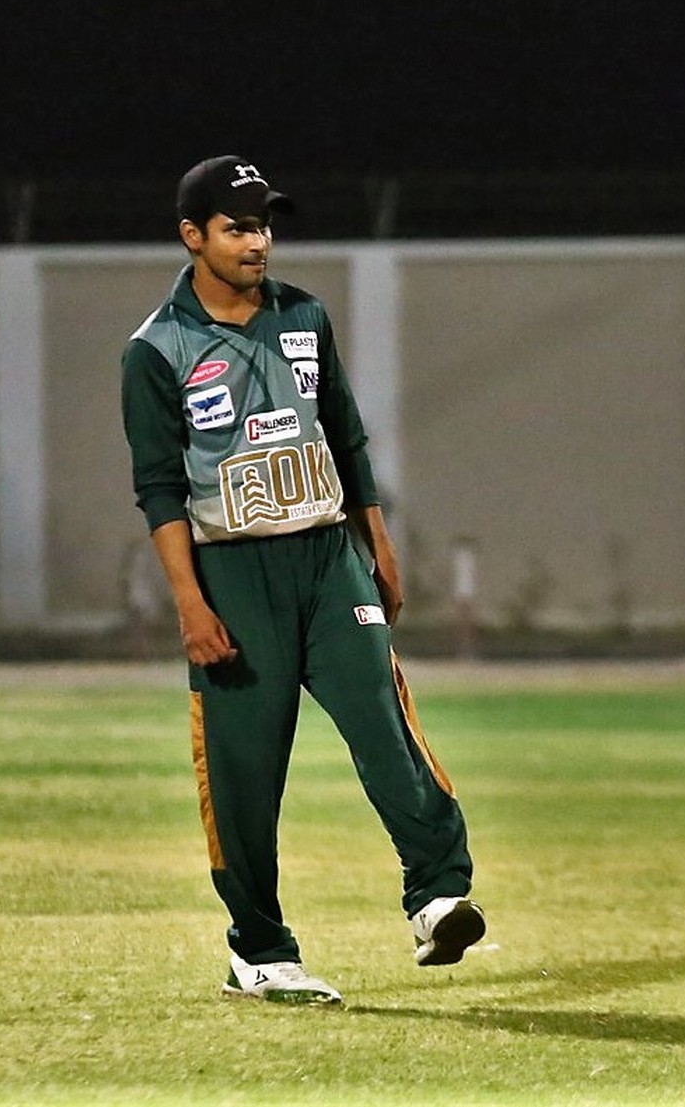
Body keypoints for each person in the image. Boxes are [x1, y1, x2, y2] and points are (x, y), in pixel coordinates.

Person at [119, 155, 484, 1006]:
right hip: (231, 573)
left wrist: (378, 544)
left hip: (328, 560)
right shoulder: (155, 350)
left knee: (381, 721)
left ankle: (438, 894)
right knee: (244, 772)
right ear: (192, 235)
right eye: (237, 228)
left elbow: (346, 436)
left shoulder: (304, 316)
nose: (257, 243)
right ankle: (259, 951)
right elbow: (159, 488)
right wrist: (190, 604)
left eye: (263, 226)